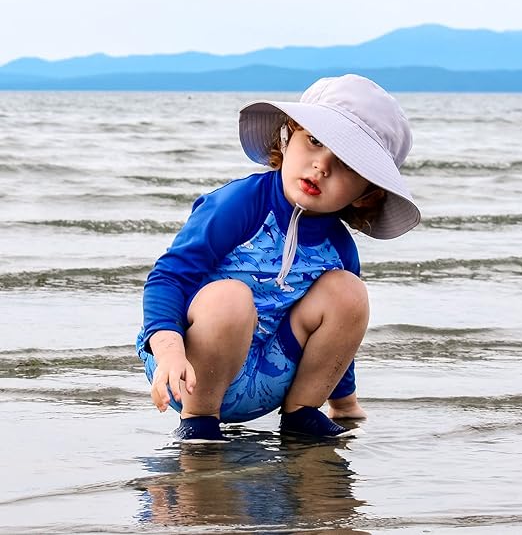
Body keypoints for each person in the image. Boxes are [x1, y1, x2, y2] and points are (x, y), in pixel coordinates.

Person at [135, 74, 420, 441]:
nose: (322, 166)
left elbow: (340, 339)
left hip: (272, 379)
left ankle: (302, 412)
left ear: (366, 194)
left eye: (347, 163)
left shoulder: (338, 247)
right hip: (189, 370)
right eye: (314, 142)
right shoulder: (240, 204)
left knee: (349, 292)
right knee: (230, 297)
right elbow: (169, 277)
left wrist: (344, 401)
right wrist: (169, 352)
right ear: (287, 137)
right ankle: (199, 422)